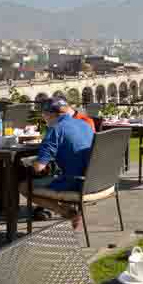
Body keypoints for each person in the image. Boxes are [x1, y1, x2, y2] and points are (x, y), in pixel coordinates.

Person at [20, 98, 95, 229]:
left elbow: (39, 167)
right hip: (94, 180)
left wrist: (29, 163)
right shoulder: (84, 124)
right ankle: (68, 209)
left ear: (49, 114)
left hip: (75, 182)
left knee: (24, 187)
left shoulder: (55, 130)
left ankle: (68, 213)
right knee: (51, 178)